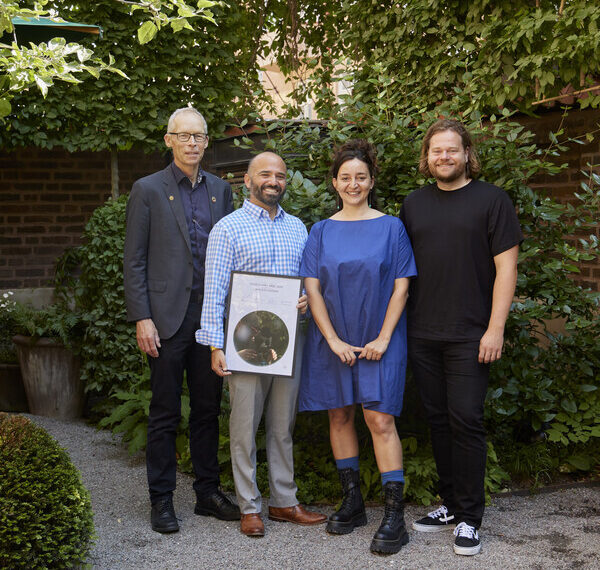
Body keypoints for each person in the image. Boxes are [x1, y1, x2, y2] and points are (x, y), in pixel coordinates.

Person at [399, 119, 522, 556]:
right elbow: (399, 271)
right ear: (427, 157)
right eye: (437, 151)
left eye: (452, 150)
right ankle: (450, 505)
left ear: (467, 154)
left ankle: (470, 517)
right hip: (423, 331)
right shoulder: (413, 205)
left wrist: (495, 327)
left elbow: (506, 269)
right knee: (437, 419)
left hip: (472, 333)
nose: (444, 157)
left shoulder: (492, 200)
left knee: (466, 419)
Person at [196, 151, 327, 537]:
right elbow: (214, 290)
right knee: (244, 424)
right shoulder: (228, 228)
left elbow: (306, 282)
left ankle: (284, 502)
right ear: (248, 181)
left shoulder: (298, 228)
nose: (274, 180)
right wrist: (213, 345)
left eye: (281, 175)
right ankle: (249, 506)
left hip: (289, 340)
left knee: (283, 424)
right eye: (265, 174)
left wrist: (304, 300)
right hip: (244, 343)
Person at [123, 107, 239, 534]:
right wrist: (142, 318)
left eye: (200, 136)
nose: (193, 143)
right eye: (184, 135)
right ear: (169, 140)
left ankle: (207, 493)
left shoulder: (222, 191)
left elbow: (229, 254)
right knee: (165, 411)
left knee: (207, 410)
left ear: (208, 142)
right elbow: (134, 261)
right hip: (166, 320)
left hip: (208, 318)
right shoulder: (147, 189)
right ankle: (161, 500)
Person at [299, 139, 417, 555]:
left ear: (371, 182)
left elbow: (402, 287)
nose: (353, 184)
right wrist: (332, 340)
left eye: (360, 177)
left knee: (380, 420)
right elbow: (312, 289)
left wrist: (384, 337)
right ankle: (352, 502)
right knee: (339, 415)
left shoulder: (392, 227)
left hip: (379, 339)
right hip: (332, 340)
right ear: (334, 182)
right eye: (345, 177)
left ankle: (393, 515)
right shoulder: (320, 231)